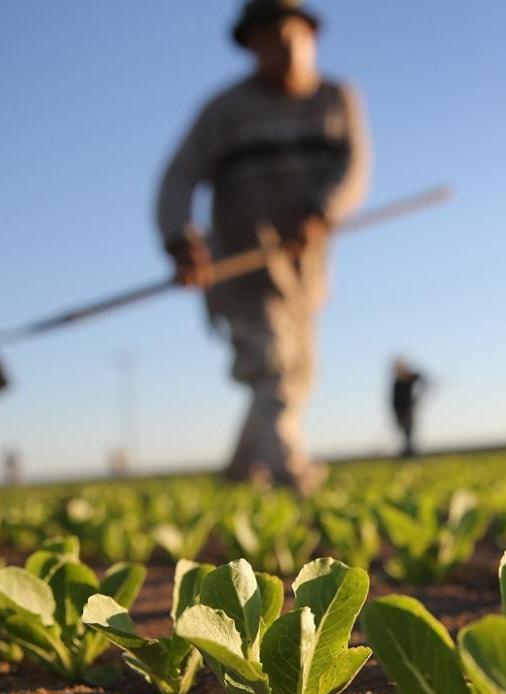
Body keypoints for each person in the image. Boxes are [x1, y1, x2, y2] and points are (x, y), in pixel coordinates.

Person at [156, 0, 370, 496]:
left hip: (305, 269)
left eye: (290, 35)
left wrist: (322, 210)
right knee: (273, 364)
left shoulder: (338, 99)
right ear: (251, 46)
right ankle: (291, 474)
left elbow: (353, 168)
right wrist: (178, 237)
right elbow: (179, 177)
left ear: (311, 35)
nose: (282, 49)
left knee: (297, 371)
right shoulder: (224, 112)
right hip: (241, 263)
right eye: (268, 39)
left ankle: (238, 473)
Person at [391, 359, 427, 457]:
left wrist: (418, 396)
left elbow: (423, 379)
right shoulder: (396, 383)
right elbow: (394, 401)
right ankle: (407, 451)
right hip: (400, 412)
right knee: (404, 433)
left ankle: (410, 452)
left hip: (408, 411)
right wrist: (396, 413)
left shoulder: (410, 378)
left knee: (409, 432)